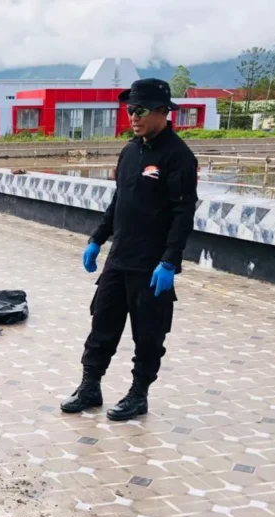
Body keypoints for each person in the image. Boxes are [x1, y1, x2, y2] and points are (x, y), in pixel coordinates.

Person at [61, 78, 197, 421]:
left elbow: (183, 213)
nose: (133, 116)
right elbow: (118, 202)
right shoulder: (130, 151)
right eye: (130, 109)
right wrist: (97, 239)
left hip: (151, 265)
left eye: (141, 110)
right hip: (119, 259)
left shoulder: (178, 156)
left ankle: (139, 394)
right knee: (101, 326)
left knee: (148, 334)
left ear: (163, 112)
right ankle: (90, 386)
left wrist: (170, 261)